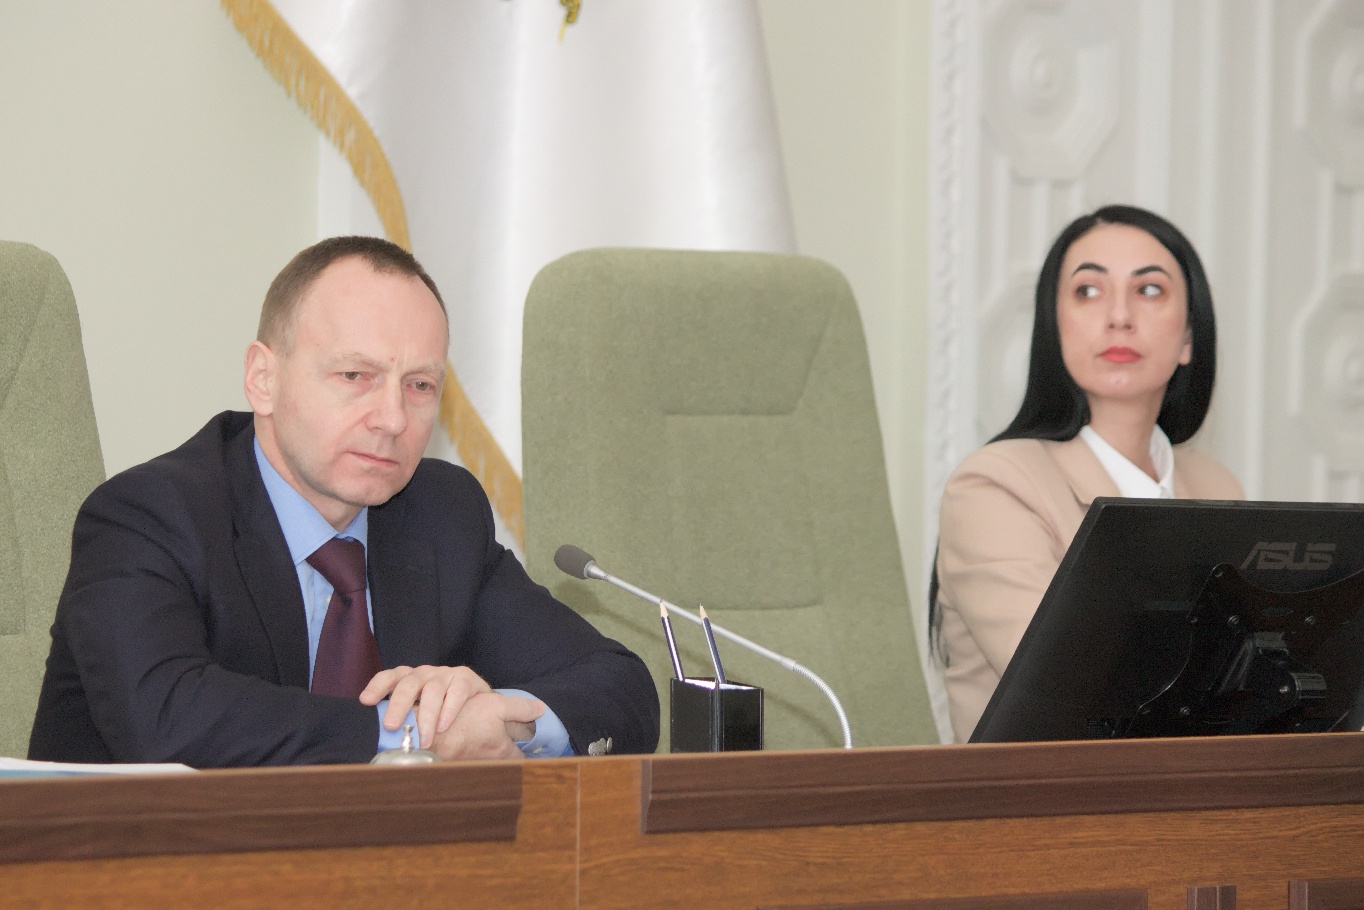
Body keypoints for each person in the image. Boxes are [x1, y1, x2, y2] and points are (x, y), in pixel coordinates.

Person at [28, 236, 660, 767]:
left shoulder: (440, 514)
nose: (392, 418)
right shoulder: (147, 515)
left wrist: (505, 720)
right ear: (263, 379)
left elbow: (620, 687)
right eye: (355, 376)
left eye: (420, 385)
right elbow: (165, 720)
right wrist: (415, 736)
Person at [932, 205, 1243, 743]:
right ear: (1054, 328)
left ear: (1189, 337)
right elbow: (1075, 690)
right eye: (1088, 291)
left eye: (1149, 290)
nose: (1119, 316)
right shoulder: (993, 486)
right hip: (1048, 791)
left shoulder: (1218, 487)